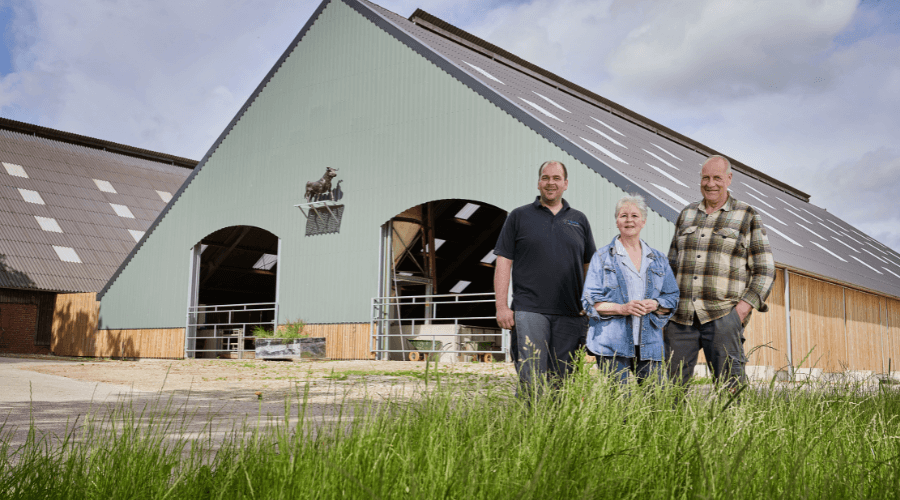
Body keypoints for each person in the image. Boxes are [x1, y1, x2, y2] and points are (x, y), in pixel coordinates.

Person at [665, 155, 775, 390]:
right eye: (705, 178)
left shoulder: (747, 215)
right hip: (681, 317)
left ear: (729, 179)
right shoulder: (687, 214)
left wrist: (740, 311)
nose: (710, 184)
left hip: (723, 314)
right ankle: (668, 426)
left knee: (731, 390)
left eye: (717, 178)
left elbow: (765, 270)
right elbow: (670, 266)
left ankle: (733, 427)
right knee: (668, 388)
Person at [494, 160, 596, 396]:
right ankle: (530, 431)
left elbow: (589, 264)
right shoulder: (519, 217)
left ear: (566, 184)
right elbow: (503, 262)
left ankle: (556, 431)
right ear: (539, 182)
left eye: (556, 178)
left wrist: (588, 302)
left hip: (571, 313)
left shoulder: (579, 220)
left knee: (564, 382)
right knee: (532, 381)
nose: (551, 183)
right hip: (529, 310)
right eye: (546, 178)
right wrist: (501, 306)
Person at [582, 194, 679, 385]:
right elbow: (589, 301)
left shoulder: (658, 259)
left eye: (634, 216)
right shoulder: (601, 258)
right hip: (612, 344)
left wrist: (656, 304)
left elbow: (672, 297)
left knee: (655, 403)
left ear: (643, 221)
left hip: (650, 343)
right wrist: (622, 308)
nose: (629, 220)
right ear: (617, 221)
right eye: (623, 215)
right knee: (620, 403)